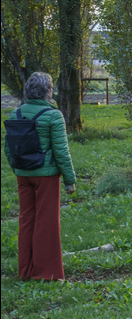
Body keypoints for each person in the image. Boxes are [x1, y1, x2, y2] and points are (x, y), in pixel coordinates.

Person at [7, 71, 76, 280]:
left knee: (26, 220)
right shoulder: (53, 115)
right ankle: (46, 273)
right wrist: (70, 180)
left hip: (23, 176)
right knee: (47, 222)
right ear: (48, 92)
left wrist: (18, 169)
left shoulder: (15, 114)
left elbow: (8, 149)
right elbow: (61, 151)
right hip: (46, 177)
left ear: (28, 91)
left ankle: (25, 271)